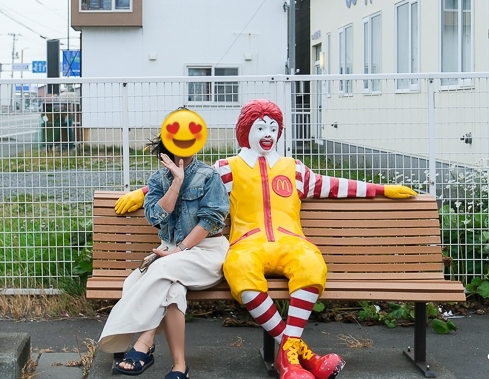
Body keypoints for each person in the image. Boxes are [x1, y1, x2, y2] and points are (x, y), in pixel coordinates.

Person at [114, 99, 419, 379]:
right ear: (245, 131)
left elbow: (334, 185)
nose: (268, 134)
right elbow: (191, 181)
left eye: (273, 128)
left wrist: (382, 190)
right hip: (248, 243)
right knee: (239, 268)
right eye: (260, 128)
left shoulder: (294, 168)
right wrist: (142, 193)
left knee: (311, 264)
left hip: (292, 241)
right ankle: (302, 356)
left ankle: (289, 355)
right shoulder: (227, 169)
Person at [99, 108, 229, 379]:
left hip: (204, 253)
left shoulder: (209, 176)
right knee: (159, 288)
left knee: (159, 270)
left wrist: (179, 250)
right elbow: (155, 217)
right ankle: (180, 367)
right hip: (170, 254)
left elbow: (211, 221)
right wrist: (176, 183)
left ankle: (142, 343)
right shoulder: (158, 180)